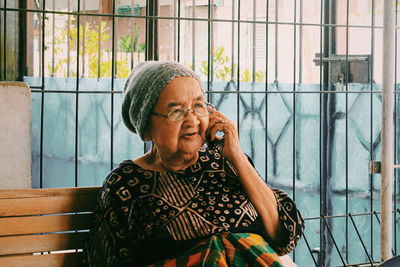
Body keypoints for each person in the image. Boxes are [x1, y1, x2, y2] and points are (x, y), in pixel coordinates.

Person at [82, 61, 304, 267]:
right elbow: (104, 260)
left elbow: (284, 236)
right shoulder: (126, 183)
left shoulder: (228, 163)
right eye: (176, 111)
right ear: (146, 126)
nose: (192, 120)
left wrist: (238, 158)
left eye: (199, 106)